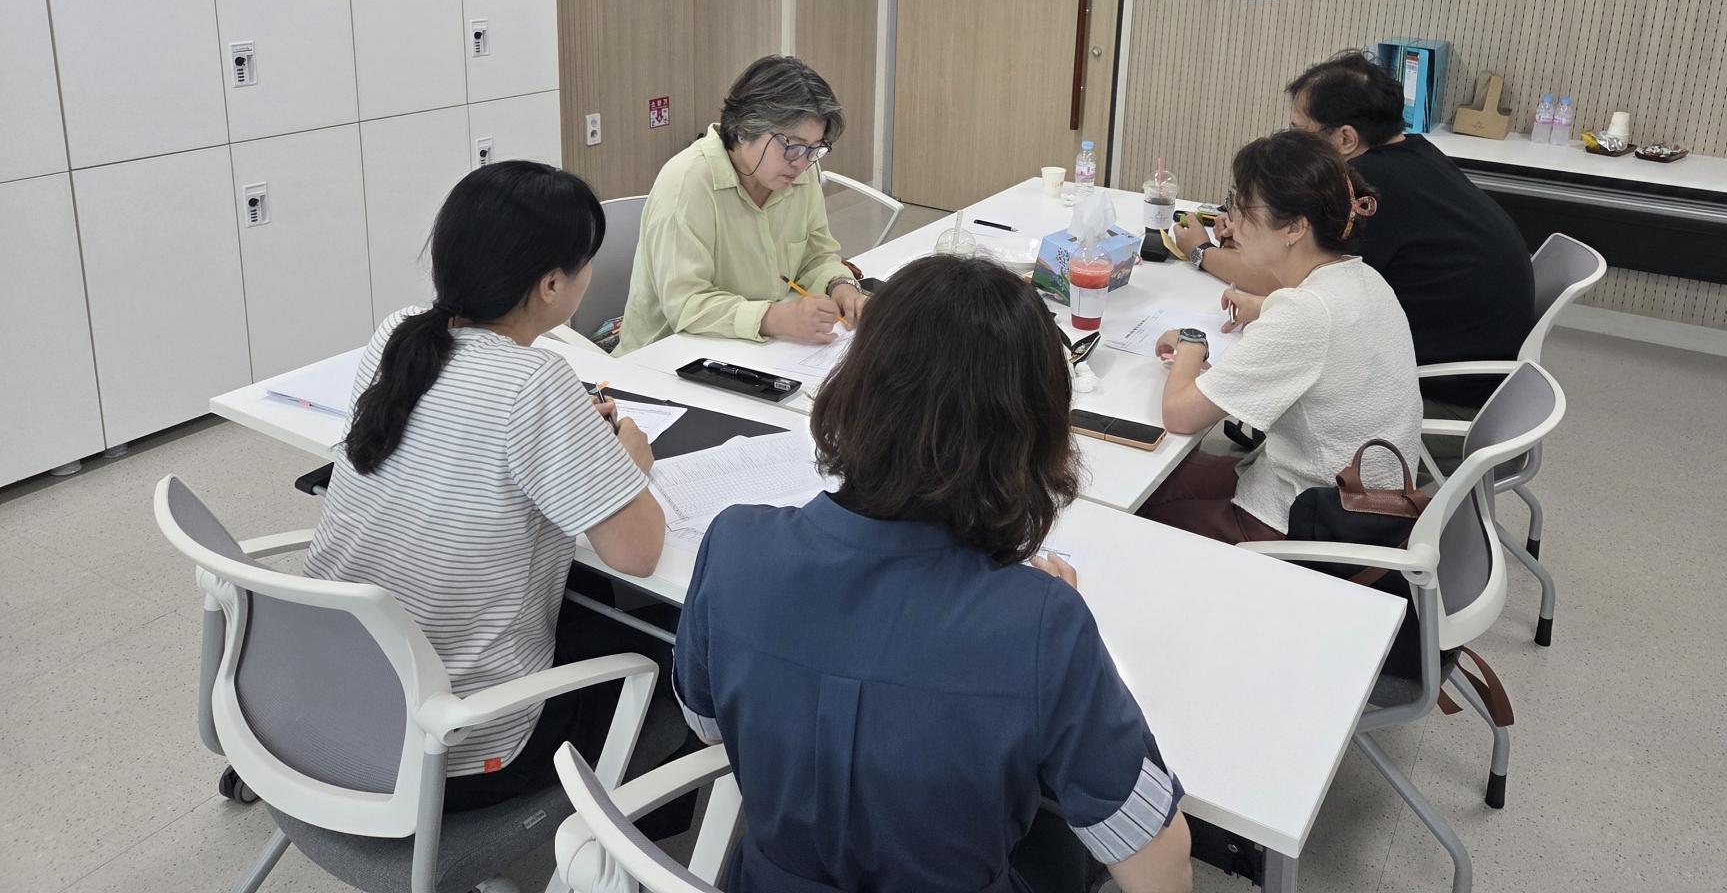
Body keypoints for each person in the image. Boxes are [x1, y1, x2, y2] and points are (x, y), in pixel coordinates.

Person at [671, 255, 1193, 893]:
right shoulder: (1042, 624)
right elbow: (1158, 871)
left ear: (856, 385)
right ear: (1034, 429)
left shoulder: (733, 544)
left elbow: (707, 724)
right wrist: (1057, 644)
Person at [307, 161, 670, 812]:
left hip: (330, 699)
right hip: (457, 742)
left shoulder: (399, 334)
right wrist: (629, 464)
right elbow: (638, 553)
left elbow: (463, 438)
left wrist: (572, 441)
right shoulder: (536, 380)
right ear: (551, 285)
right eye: (586, 262)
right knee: (673, 652)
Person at [1173, 50, 1534, 409]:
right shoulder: (1414, 153)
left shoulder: (1365, 189)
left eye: (1299, 130)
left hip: (1442, 386)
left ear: (1346, 139)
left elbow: (1291, 279)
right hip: (1481, 354)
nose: (1293, 141)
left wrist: (1202, 252)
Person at [1142, 130, 1422, 544]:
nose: (1232, 220)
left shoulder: (1305, 314)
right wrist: (1264, 307)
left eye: (1244, 206)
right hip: (1362, 499)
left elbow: (1179, 415)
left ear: (1294, 227)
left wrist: (1190, 343)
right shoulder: (1364, 278)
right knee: (1168, 478)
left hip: (1312, 523)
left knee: (1136, 509)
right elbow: (1319, 323)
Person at [615, 55, 865, 353]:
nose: (801, 163)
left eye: (814, 149)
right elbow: (686, 304)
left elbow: (816, 255)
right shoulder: (687, 183)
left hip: (754, 348)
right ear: (745, 129)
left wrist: (840, 285)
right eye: (791, 145)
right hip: (666, 356)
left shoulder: (799, 172)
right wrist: (775, 318)